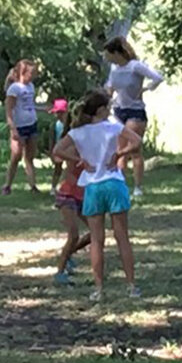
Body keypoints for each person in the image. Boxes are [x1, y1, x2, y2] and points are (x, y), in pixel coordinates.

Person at [52, 90, 142, 301]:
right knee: (122, 238)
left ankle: (99, 289)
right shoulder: (113, 127)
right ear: (101, 110)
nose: (111, 109)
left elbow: (57, 150)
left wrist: (80, 159)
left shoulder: (78, 132)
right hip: (114, 183)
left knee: (97, 240)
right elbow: (136, 141)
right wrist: (119, 154)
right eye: (108, 106)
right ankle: (131, 286)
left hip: (92, 185)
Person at [102, 36, 162, 197]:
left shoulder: (135, 66)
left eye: (107, 54)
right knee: (120, 149)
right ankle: (120, 184)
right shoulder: (114, 70)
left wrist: (146, 89)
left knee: (133, 148)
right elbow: (110, 86)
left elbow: (158, 77)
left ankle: (138, 186)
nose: (105, 57)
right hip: (118, 110)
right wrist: (107, 96)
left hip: (135, 111)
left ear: (116, 53)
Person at [50, 128, 90, 287]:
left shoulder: (94, 145)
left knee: (95, 233)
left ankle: (67, 254)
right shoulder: (74, 146)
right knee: (73, 234)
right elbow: (59, 157)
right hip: (68, 194)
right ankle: (59, 272)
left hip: (85, 195)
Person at [1, 59, 40, 196]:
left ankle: (33, 185)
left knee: (29, 156)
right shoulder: (14, 89)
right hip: (19, 126)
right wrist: (13, 129)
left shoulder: (31, 87)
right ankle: (7, 185)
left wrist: (43, 108)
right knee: (16, 156)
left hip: (31, 123)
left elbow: (30, 104)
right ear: (24, 72)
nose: (34, 75)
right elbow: (9, 111)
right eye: (32, 72)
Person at [46, 98, 69, 195]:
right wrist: (51, 151)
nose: (59, 115)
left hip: (69, 149)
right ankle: (53, 187)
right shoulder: (55, 125)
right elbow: (52, 139)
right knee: (57, 168)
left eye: (61, 113)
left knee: (69, 169)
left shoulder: (70, 124)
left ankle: (65, 186)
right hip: (58, 149)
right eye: (57, 113)